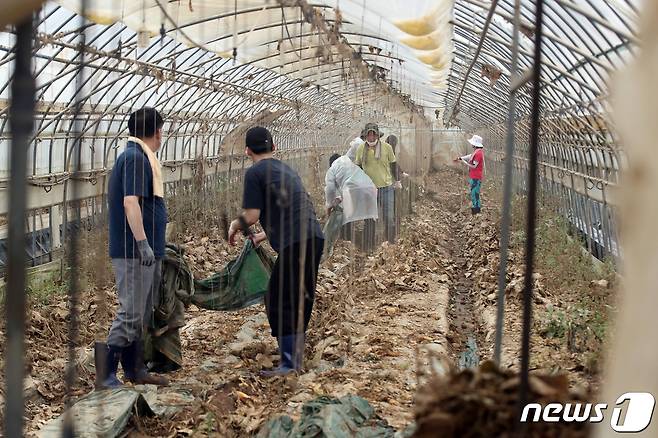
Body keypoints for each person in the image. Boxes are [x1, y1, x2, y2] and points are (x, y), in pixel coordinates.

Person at [228, 126, 324, 376]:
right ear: (274, 148)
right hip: (313, 236)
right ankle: (295, 358)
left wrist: (235, 224)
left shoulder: (255, 172)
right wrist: (264, 234)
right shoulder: (286, 169)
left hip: (295, 242)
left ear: (247, 150)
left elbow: (251, 215)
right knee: (299, 298)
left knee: (278, 300)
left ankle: (290, 364)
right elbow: (290, 209)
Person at [96, 107, 169, 388]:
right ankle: (105, 376)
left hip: (140, 250)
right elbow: (131, 202)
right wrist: (143, 243)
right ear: (158, 132)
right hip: (133, 251)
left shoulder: (137, 157)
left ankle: (135, 369)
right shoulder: (136, 158)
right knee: (130, 311)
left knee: (139, 311)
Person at [355, 123, 401, 247]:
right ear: (365, 136)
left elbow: (393, 164)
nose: (371, 137)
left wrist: (397, 180)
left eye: (373, 134)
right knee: (369, 219)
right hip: (368, 190)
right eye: (368, 135)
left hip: (386, 188)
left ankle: (390, 243)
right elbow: (358, 167)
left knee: (389, 216)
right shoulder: (360, 149)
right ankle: (368, 245)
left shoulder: (387, 148)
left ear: (377, 135)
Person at [323, 153, 378, 257]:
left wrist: (329, 206)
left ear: (331, 164)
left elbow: (330, 190)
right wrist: (341, 198)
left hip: (352, 192)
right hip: (370, 188)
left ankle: (347, 243)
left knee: (346, 217)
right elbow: (355, 183)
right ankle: (369, 246)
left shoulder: (332, 169)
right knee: (370, 217)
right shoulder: (351, 165)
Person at [454, 134, 485, 214]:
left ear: (475, 144)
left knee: (475, 193)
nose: (471, 144)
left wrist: (463, 162)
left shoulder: (478, 153)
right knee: (473, 192)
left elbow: (474, 166)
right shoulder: (476, 152)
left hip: (476, 177)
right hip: (473, 176)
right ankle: (475, 208)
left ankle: (476, 210)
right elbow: (470, 156)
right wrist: (461, 158)